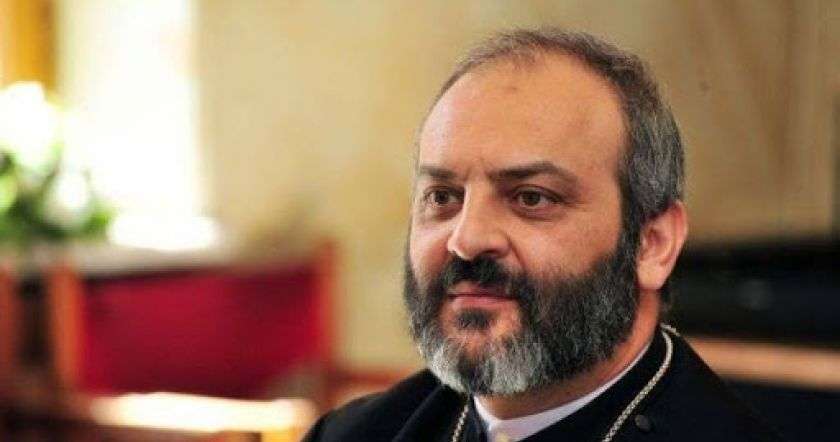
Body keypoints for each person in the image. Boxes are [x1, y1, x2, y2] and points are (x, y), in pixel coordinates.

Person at [303, 28, 783, 442]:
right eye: (443, 197)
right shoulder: (352, 434)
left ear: (652, 244)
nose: (466, 240)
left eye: (531, 198)